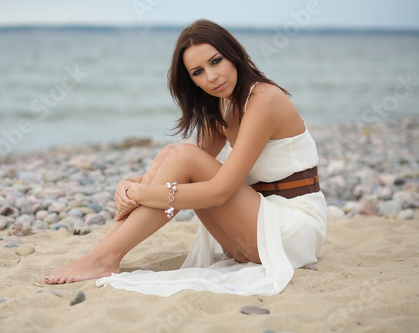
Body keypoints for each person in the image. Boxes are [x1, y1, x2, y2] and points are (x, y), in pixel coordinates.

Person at [44, 19, 327, 297]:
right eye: (198, 72)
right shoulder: (224, 106)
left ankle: (104, 257)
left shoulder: (265, 99)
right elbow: (174, 166)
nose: (211, 77)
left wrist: (141, 191)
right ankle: (101, 255)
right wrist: (128, 185)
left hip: (292, 228)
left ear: (233, 54)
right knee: (173, 153)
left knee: (184, 156)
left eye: (216, 62)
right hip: (251, 235)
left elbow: (219, 192)